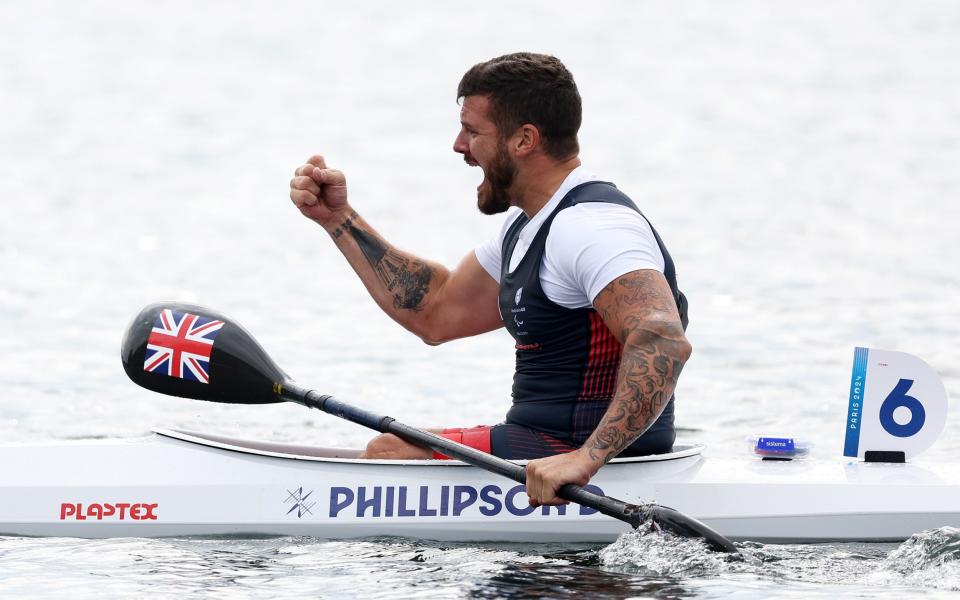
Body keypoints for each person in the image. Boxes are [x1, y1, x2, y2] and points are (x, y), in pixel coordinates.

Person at [288, 52, 691, 507]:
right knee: (391, 441)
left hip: (592, 464)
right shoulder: (528, 225)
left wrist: (586, 459)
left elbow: (662, 339)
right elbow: (434, 311)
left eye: (473, 131)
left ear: (524, 140)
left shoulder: (591, 228)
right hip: (541, 446)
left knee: (390, 452)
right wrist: (338, 219)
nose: (459, 146)